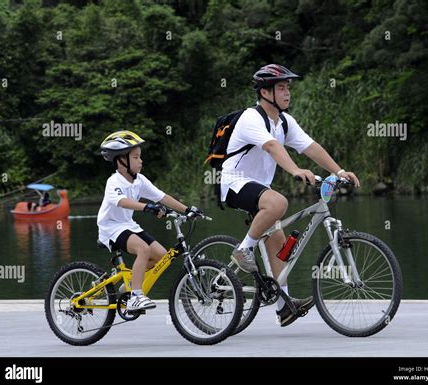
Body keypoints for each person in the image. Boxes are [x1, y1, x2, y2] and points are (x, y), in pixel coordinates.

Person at [221, 64, 360, 327]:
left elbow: (310, 146)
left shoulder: (284, 121)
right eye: (281, 88)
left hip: (259, 188)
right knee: (279, 202)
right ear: (265, 92)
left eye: (288, 88)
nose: (287, 93)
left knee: (280, 245)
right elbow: (272, 147)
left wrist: (339, 171)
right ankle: (243, 251)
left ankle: (283, 306)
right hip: (234, 183)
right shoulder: (251, 118)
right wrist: (295, 170)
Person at [97, 130, 203, 312]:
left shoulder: (140, 180)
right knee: (143, 249)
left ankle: (130, 283)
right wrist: (147, 207)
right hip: (111, 228)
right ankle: (135, 297)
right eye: (136, 157)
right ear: (121, 161)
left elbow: (162, 197)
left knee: (162, 255)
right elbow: (122, 202)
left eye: (140, 157)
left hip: (129, 226)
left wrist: (187, 209)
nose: (141, 161)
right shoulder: (114, 181)